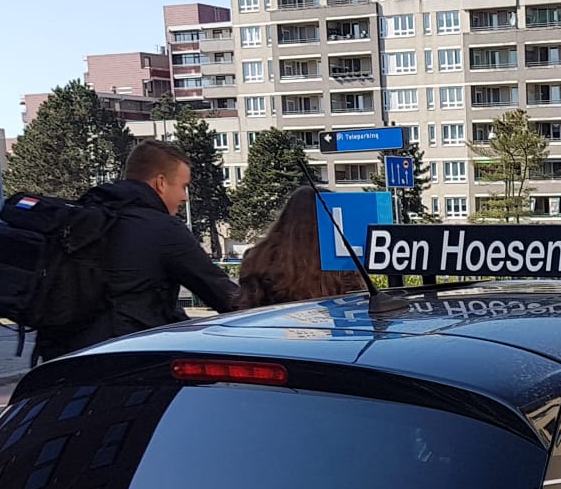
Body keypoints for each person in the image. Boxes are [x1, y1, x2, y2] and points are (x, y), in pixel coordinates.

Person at [33, 140, 241, 363]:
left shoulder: (89, 216)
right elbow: (223, 295)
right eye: (183, 186)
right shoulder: (163, 229)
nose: (185, 197)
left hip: (60, 358)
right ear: (161, 183)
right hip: (123, 359)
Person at [236, 187, 368, 309]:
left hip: (269, 325)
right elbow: (356, 303)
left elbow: (247, 305)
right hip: (329, 324)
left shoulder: (257, 258)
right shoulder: (340, 259)